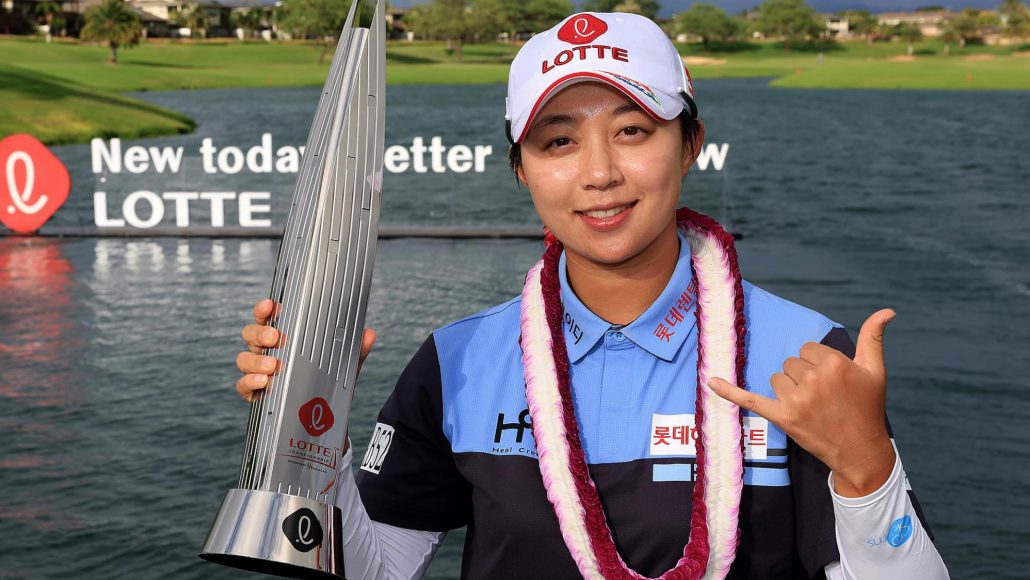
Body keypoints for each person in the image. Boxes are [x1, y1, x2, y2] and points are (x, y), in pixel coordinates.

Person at [235, 12, 949, 580]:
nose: (600, 172)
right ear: (521, 170)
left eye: (633, 131)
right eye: (558, 142)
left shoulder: (805, 357)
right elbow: (378, 571)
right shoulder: (457, 363)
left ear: (691, 142)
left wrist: (867, 472)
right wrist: (311, 436)